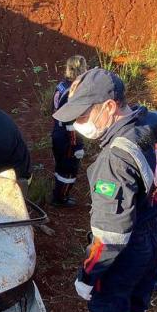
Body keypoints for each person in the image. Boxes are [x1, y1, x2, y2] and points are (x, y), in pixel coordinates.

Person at [52, 68, 157, 312]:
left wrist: (88, 274)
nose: (78, 123)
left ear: (109, 107)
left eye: (83, 114)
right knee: (138, 302)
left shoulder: (114, 159)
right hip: (154, 232)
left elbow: (111, 237)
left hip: (128, 245)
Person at [51, 55, 88, 207]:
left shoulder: (61, 86)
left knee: (60, 165)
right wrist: (77, 146)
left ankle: (58, 194)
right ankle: (60, 199)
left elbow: (53, 110)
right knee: (69, 169)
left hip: (57, 132)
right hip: (67, 137)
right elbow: (70, 123)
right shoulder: (73, 92)